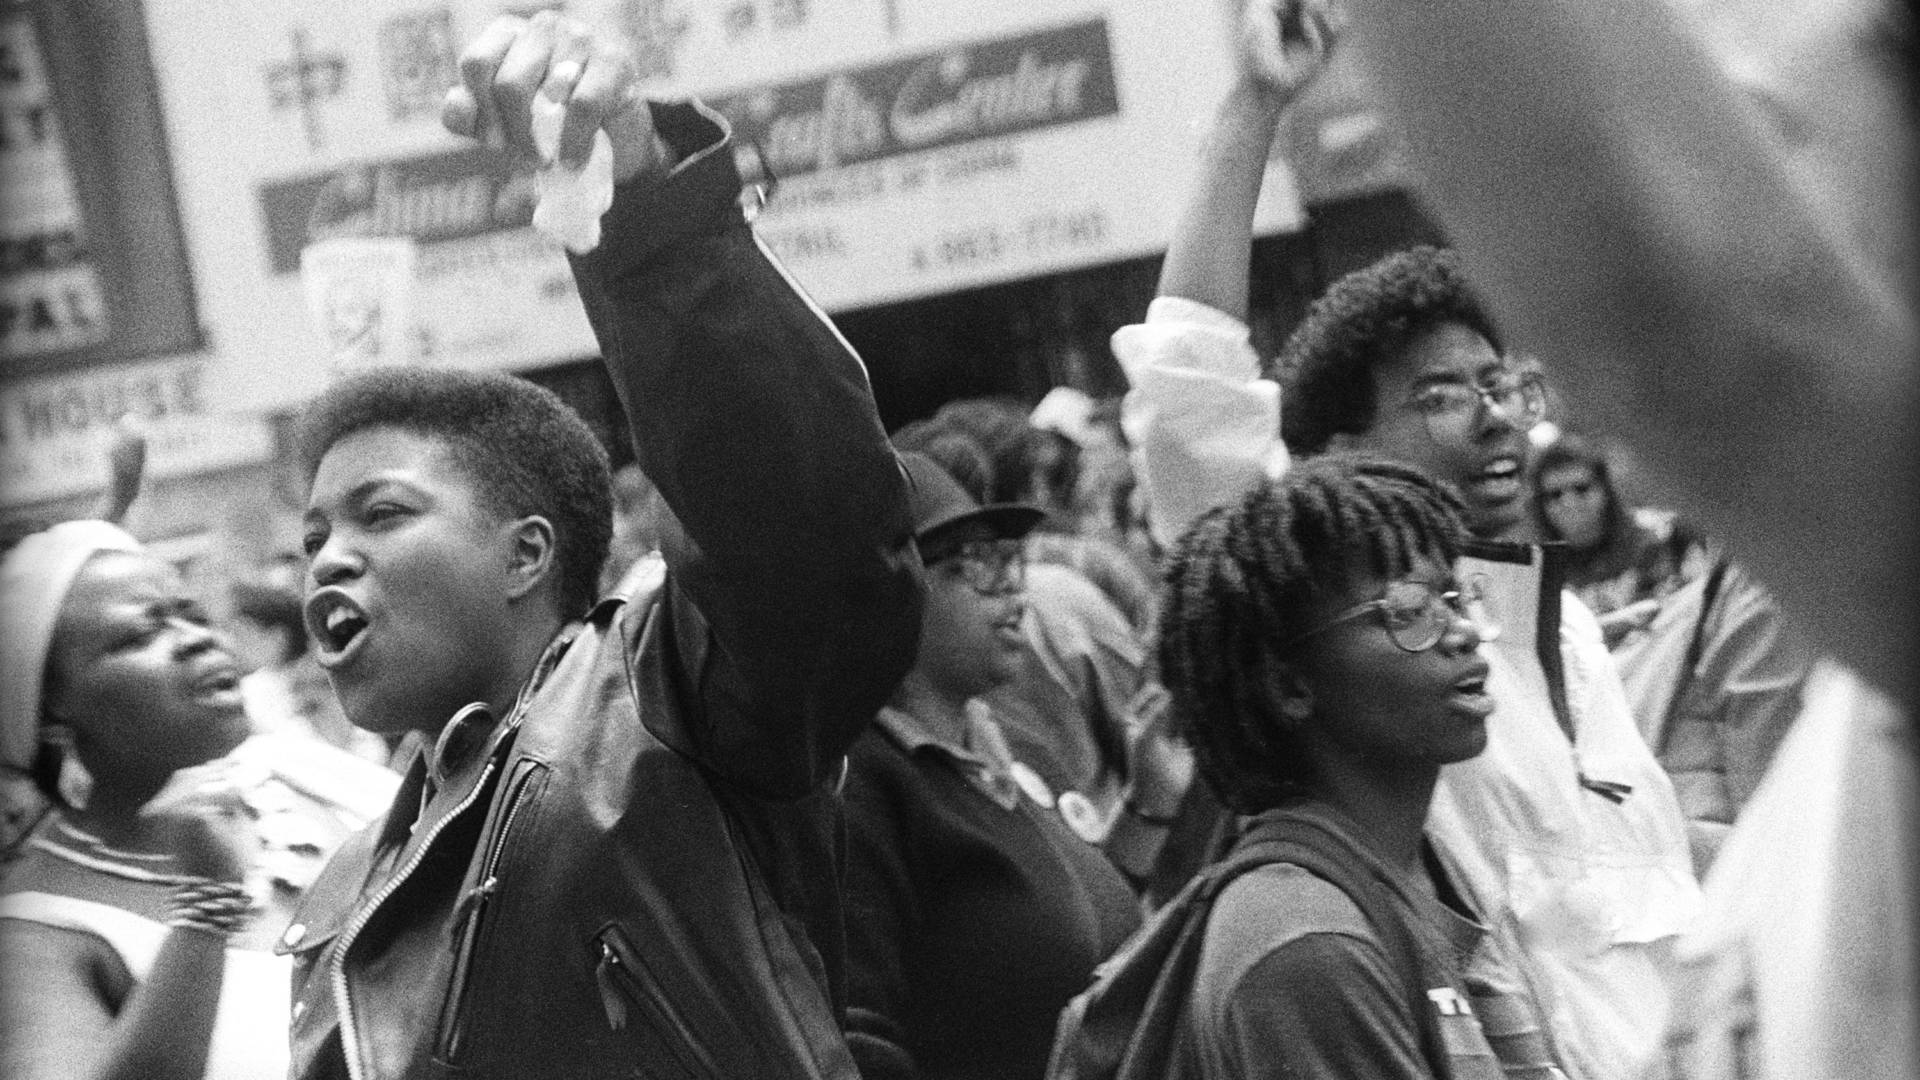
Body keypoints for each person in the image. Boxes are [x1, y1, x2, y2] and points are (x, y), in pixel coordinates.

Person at [281, 12, 922, 1079]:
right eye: (313, 537)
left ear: (528, 554)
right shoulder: (337, 899)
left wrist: (649, 219)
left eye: (382, 514)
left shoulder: (663, 703)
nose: (328, 561)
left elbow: (803, 534)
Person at [1109, 5, 1697, 1077]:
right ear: (1336, 453)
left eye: (1499, 383)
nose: (1494, 418)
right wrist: (1253, 111)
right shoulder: (1368, 647)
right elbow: (1188, 400)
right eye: (1438, 394)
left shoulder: (1571, 643)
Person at [1156, 454, 1559, 1079]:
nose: (1462, 633)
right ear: (1289, 685)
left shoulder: (1420, 871)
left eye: (1455, 598)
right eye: (1406, 611)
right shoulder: (1307, 941)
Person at [0, 521, 394, 1080]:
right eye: (140, 636)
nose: (195, 638)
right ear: (53, 709)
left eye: (191, 613)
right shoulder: (34, 933)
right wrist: (204, 913)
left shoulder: (307, 778)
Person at [841, 453, 1141, 1080]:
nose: (1011, 586)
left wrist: (1157, 803)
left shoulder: (1014, 746)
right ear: (891, 595)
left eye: (1009, 559)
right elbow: (859, 1042)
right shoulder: (863, 785)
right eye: (970, 566)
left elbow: (1106, 918)